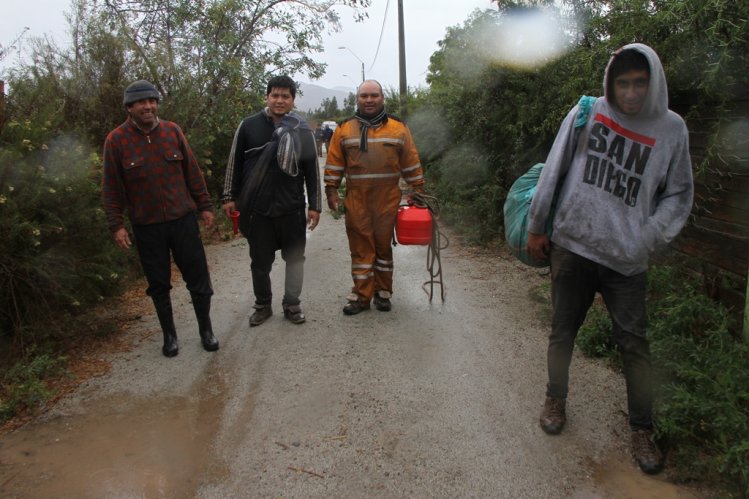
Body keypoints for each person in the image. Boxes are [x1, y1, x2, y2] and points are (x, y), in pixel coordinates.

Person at [527, 44, 694, 474]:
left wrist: (650, 235)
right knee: (563, 331)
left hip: (627, 261)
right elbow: (554, 167)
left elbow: (678, 192)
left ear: (653, 81)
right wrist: (537, 224)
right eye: (623, 83)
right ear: (611, 82)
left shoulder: (672, 129)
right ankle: (555, 400)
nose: (632, 92)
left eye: (640, 82)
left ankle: (641, 429)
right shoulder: (588, 110)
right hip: (573, 246)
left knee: (634, 345)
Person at [102, 80, 219, 358]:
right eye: (141, 102)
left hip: (183, 221)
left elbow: (192, 172)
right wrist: (116, 224)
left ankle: (206, 330)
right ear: (129, 107)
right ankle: (169, 336)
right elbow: (111, 187)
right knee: (158, 284)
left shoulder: (172, 131)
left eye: (152, 101)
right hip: (147, 226)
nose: (148, 106)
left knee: (198, 279)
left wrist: (205, 206)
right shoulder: (116, 140)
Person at [221, 75, 321, 326]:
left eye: (285, 96)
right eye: (275, 95)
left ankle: (292, 303)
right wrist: (229, 196)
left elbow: (311, 171)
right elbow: (234, 163)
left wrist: (315, 206)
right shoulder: (248, 126)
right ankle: (263, 305)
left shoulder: (302, 130)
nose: (279, 100)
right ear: (267, 97)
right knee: (260, 261)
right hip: (258, 208)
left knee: (295, 258)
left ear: (293, 100)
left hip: (292, 206)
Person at [324, 79, 425, 315]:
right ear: (357, 99)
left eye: (374, 95)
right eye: (364, 96)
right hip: (356, 199)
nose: (369, 100)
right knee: (360, 249)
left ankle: (383, 293)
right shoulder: (344, 129)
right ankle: (361, 296)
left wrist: (418, 189)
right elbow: (334, 163)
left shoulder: (399, 128)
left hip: (387, 198)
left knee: (382, 248)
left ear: (382, 98)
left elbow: (410, 161)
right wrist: (331, 190)